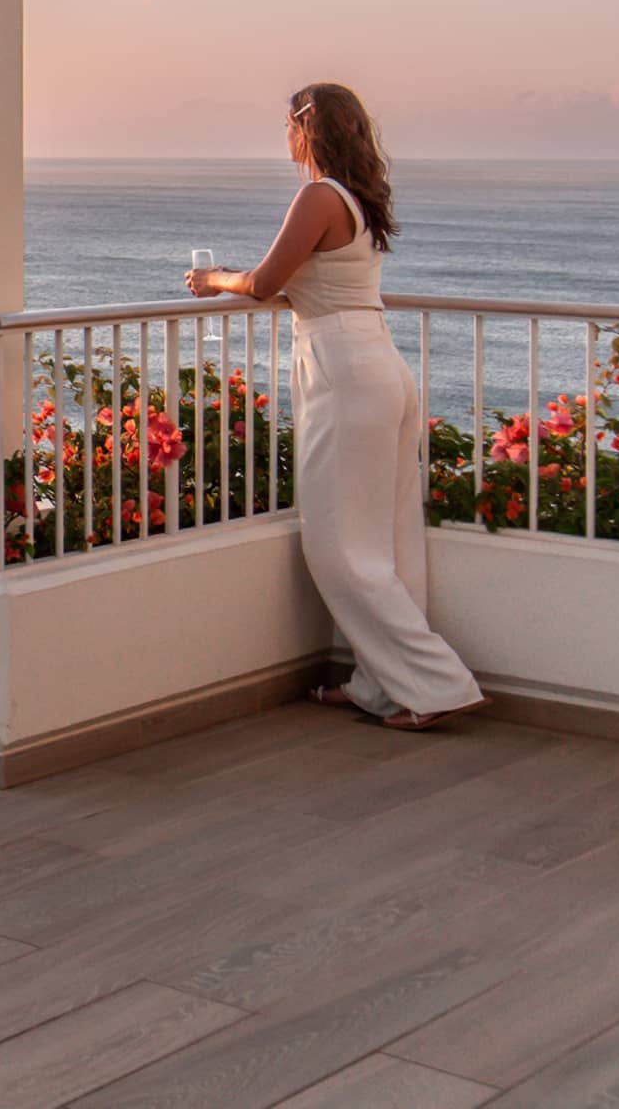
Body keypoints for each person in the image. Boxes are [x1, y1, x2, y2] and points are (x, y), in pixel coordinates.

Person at [187, 82, 485, 732]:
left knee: (337, 544)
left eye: (288, 125)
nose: (284, 137)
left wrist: (212, 279)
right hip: (378, 364)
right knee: (389, 536)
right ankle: (381, 685)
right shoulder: (360, 200)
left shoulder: (318, 197)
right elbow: (323, 289)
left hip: (345, 374)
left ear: (307, 130)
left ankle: (437, 684)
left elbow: (265, 283)